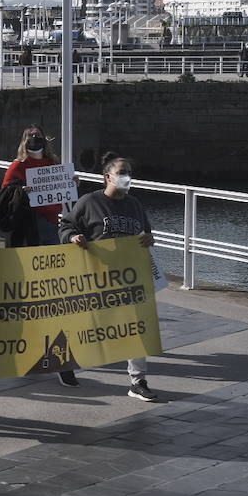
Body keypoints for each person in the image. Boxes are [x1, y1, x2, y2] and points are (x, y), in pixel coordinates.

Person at [59, 153, 159, 402]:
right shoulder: (89, 202)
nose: (127, 177)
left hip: (127, 278)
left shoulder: (135, 204)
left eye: (130, 173)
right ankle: (65, 360)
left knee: (134, 327)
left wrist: (149, 239)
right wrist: (73, 237)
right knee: (86, 323)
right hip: (96, 277)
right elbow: (65, 226)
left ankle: (138, 381)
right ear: (107, 177)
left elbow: (146, 233)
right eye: (122, 172)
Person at [1, 126, 61, 246]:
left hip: (53, 219)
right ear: (24, 141)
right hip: (31, 221)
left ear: (44, 139)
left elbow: (61, 184)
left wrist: (72, 181)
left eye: (38, 135)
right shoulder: (18, 165)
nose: (35, 138)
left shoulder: (53, 162)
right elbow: (5, 192)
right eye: (31, 136)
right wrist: (20, 191)